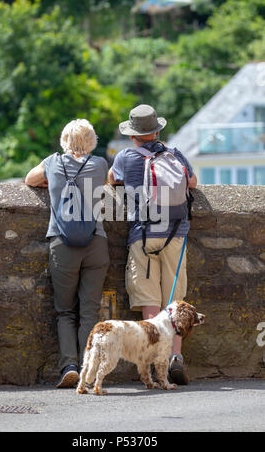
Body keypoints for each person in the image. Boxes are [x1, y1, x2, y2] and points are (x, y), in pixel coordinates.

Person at [109, 104, 197, 385]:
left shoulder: (125, 156)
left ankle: (154, 360)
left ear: (133, 136)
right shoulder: (175, 154)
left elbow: (112, 180)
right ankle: (175, 358)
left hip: (144, 234)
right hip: (176, 232)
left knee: (149, 301)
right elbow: (192, 183)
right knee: (175, 301)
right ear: (157, 131)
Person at [25, 119, 110, 388]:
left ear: (64, 140)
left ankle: (68, 366)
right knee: (89, 311)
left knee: (64, 312)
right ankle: (88, 367)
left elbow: (29, 179)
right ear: (92, 141)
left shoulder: (52, 163)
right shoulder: (99, 165)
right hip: (96, 242)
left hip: (62, 244)